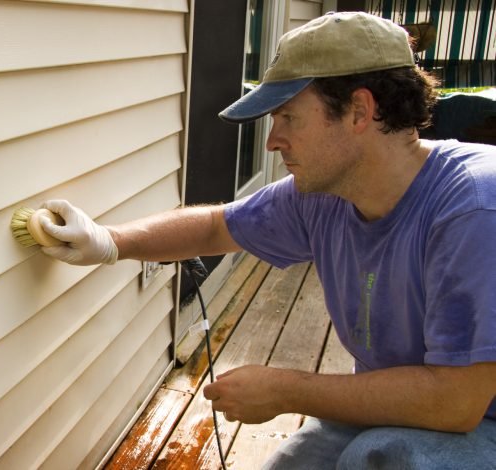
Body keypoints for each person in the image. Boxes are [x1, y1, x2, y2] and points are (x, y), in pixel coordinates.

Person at [37, 11, 496, 469]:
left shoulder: (473, 208)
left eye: (288, 118)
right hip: (414, 401)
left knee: (376, 460)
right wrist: (107, 241)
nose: (273, 140)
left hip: (477, 416)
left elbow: (455, 402)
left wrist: (285, 390)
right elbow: (216, 226)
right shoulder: (326, 194)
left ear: (359, 111)